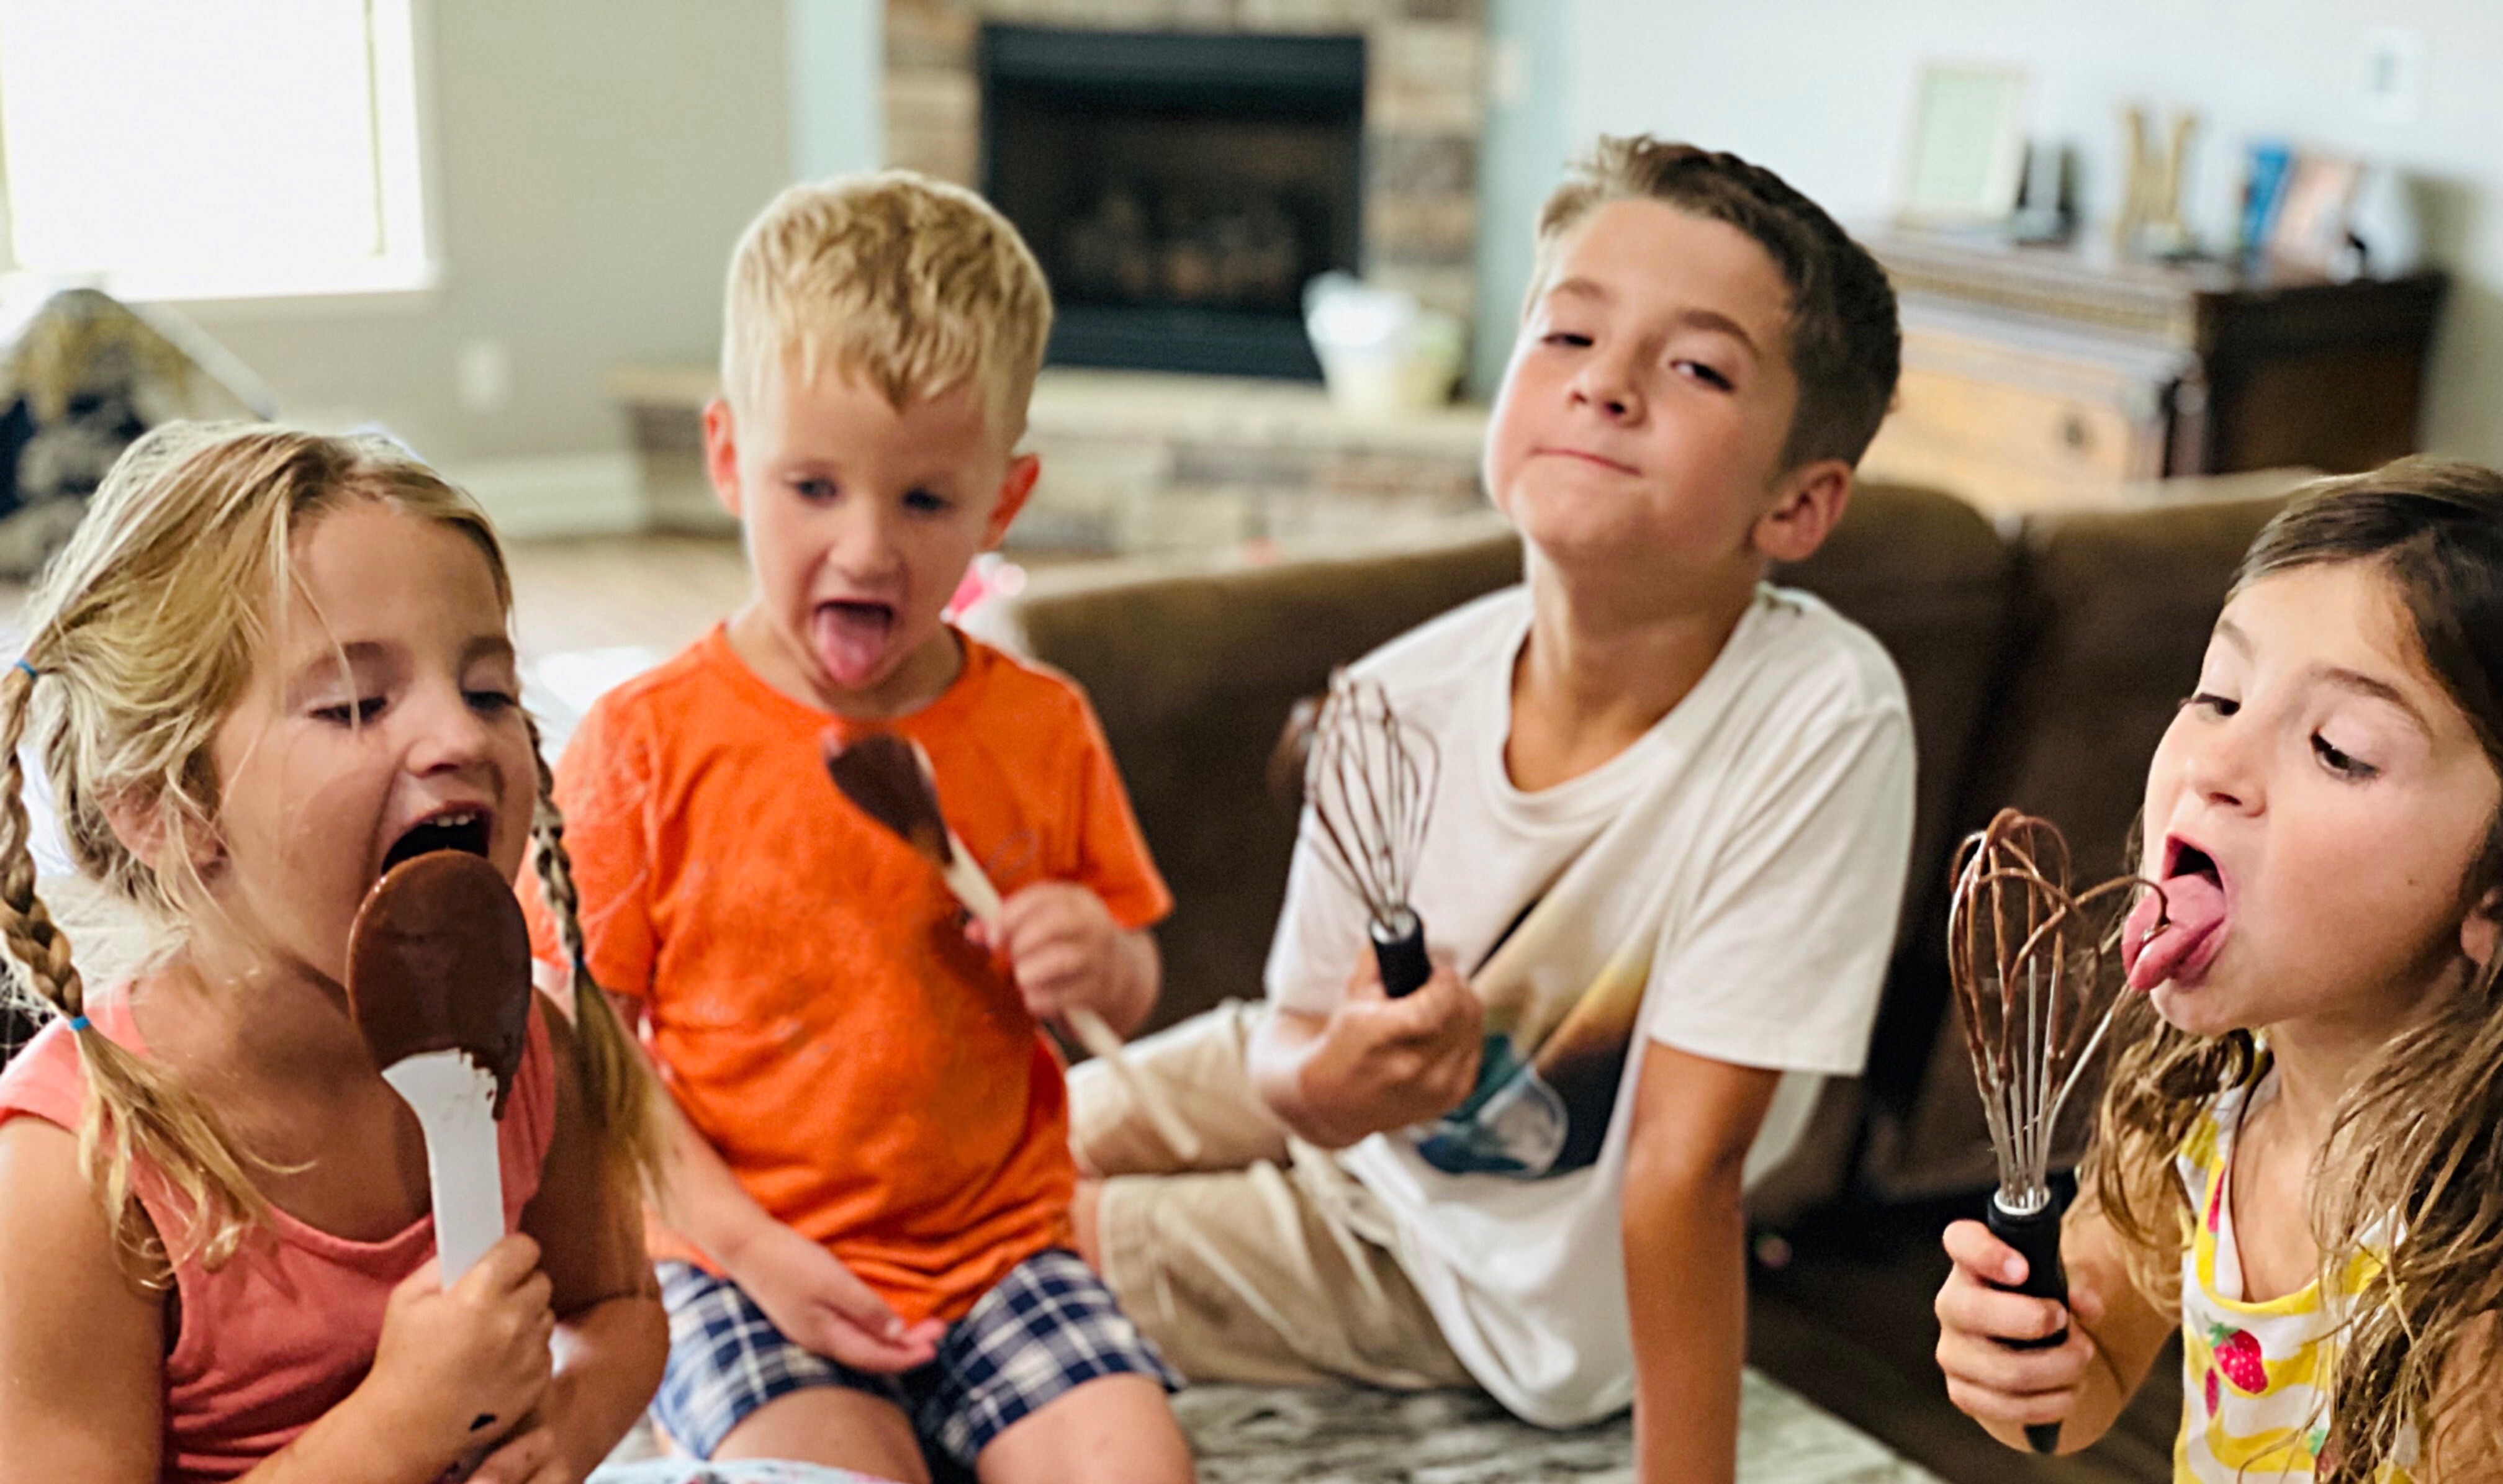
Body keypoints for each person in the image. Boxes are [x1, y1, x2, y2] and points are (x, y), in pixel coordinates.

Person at [1068, 135, 1916, 1483]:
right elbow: (1292, 1043)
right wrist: (1334, 1078)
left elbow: (1679, 1169)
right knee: (973, 1126)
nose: (1607, 381)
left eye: (1696, 365)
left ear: (1800, 504)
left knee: (1013, 1227)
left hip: (1462, 1277)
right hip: (1342, 1115)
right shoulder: (1390, 701)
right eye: (1570, 328)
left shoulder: (1821, 713)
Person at [530, 171, 1191, 1483]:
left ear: (1005, 500)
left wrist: (1100, 962)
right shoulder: (644, 741)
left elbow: (1136, 970)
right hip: (738, 1252)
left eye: (926, 501)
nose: (868, 547)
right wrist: (754, 1245)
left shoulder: (1043, 724)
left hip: (1003, 1249)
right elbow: (587, 1032)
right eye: (814, 486)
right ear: (727, 457)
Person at [0, 423, 666, 1484]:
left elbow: (619, 1308)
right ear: (164, 810)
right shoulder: (83, 1176)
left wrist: (568, 1424)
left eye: (489, 689)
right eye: (356, 704)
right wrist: (398, 1429)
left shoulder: (529, 1050)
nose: (460, 735)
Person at [1935, 461, 2503, 1480]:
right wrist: (2026, 1367)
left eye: (2339, 749)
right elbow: (2086, 1383)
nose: (2215, 767)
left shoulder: (2473, 1258)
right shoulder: (2197, 1117)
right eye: (2218, 695)